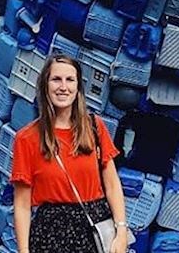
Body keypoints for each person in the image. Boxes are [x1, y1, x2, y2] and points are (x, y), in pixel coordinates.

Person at [11, 55, 129, 253]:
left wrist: (122, 231)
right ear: (45, 85)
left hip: (95, 229)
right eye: (56, 79)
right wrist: (24, 251)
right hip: (50, 234)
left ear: (78, 88)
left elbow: (112, 184)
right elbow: (22, 204)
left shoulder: (94, 127)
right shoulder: (26, 138)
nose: (63, 87)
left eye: (70, 80)